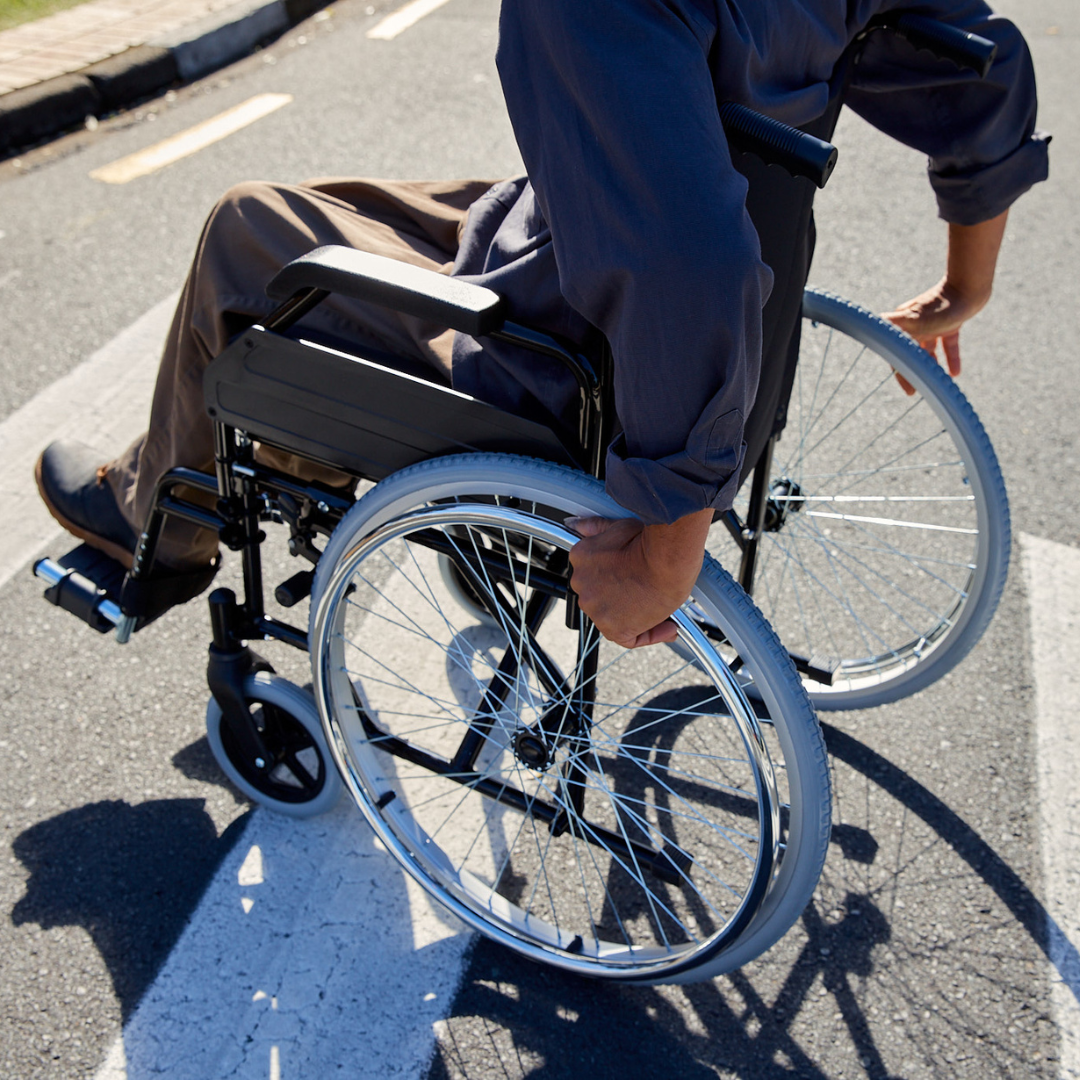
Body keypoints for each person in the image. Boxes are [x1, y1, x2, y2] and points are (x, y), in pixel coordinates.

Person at [36, 0, 1048, 643]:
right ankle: (267, 463)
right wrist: (969, 282)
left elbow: (685, 267)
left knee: (247, 229)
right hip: (651, 293)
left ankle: (157, 528)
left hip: (576, 354)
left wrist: (663, 553)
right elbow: (982, 65)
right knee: (363, 206)